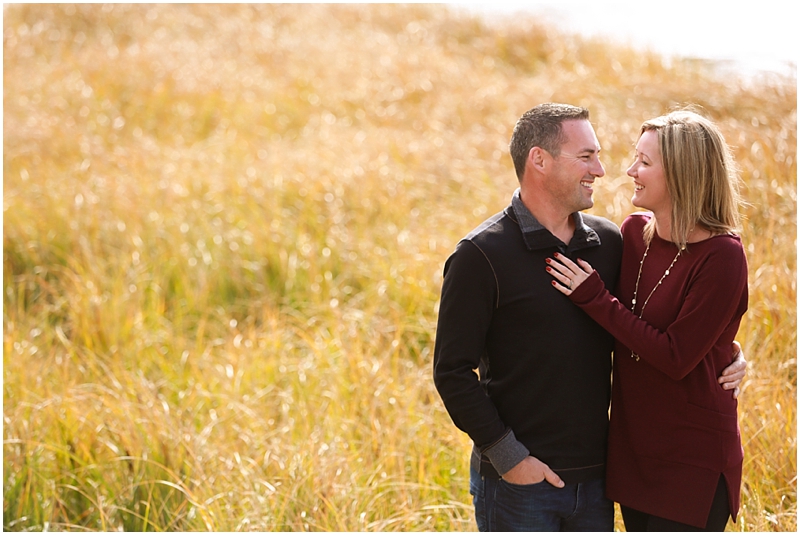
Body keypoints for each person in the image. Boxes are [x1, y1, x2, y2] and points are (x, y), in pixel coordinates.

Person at [432, 103, 746, 532]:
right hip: (522, 484)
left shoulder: (610, 243)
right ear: (538, 160)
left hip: (602, 479)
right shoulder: (482, 255)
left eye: (601, 155)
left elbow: (662, 327)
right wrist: (509, 459)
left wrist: (725, 352)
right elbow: (452, 371)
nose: (603, 169)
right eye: (586, 156)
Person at [546, 109, 747, 531]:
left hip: (691, 461)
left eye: (644, 162)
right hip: (634, 451)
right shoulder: (634, 233)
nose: (629, 170)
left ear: (681, 174)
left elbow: (676, 356)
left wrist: (595, 297)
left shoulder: (723, 256)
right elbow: (625, 330)